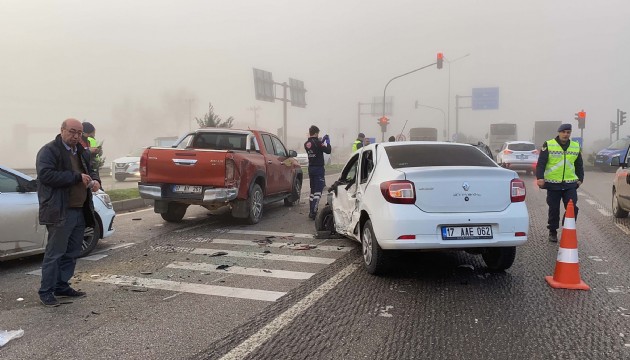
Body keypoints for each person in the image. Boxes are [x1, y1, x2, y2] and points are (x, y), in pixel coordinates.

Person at [36, 118, 101, 307]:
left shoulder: (82, 152)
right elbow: (45, 175)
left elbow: (92, 170)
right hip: (59, 210)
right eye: (72, 131)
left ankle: (61, 285)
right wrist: (76, 177)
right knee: (55, 253)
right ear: (62, 130)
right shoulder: (49, 150)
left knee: (72, 252)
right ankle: (46, 291)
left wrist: (95, 181)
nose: (76, 136)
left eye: (79, 133)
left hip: (80, 210)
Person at [536, 123, 584, 242]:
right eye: (563, 132)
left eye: (568, 132)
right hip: (553, 184)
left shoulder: (575, 146)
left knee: (572, 208)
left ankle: (567, 227)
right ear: (559, 132)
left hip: (570, 184)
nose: (566, 134)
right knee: (554, 209)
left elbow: (579, 165)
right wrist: (540, 177)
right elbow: (541, 163)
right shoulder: (548, 144)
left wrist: (580, 179)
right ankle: (552, 231)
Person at [304, 125, 331, 220]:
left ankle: (311, 210)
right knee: (318, 191)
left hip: (310, 168)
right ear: (316, 133)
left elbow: (316, 148)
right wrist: (327, 142)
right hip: (319, 168)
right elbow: (328, 151)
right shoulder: (319, 143)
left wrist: (321, 141)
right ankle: (314, 212)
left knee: (312, 190)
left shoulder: (306, 143)